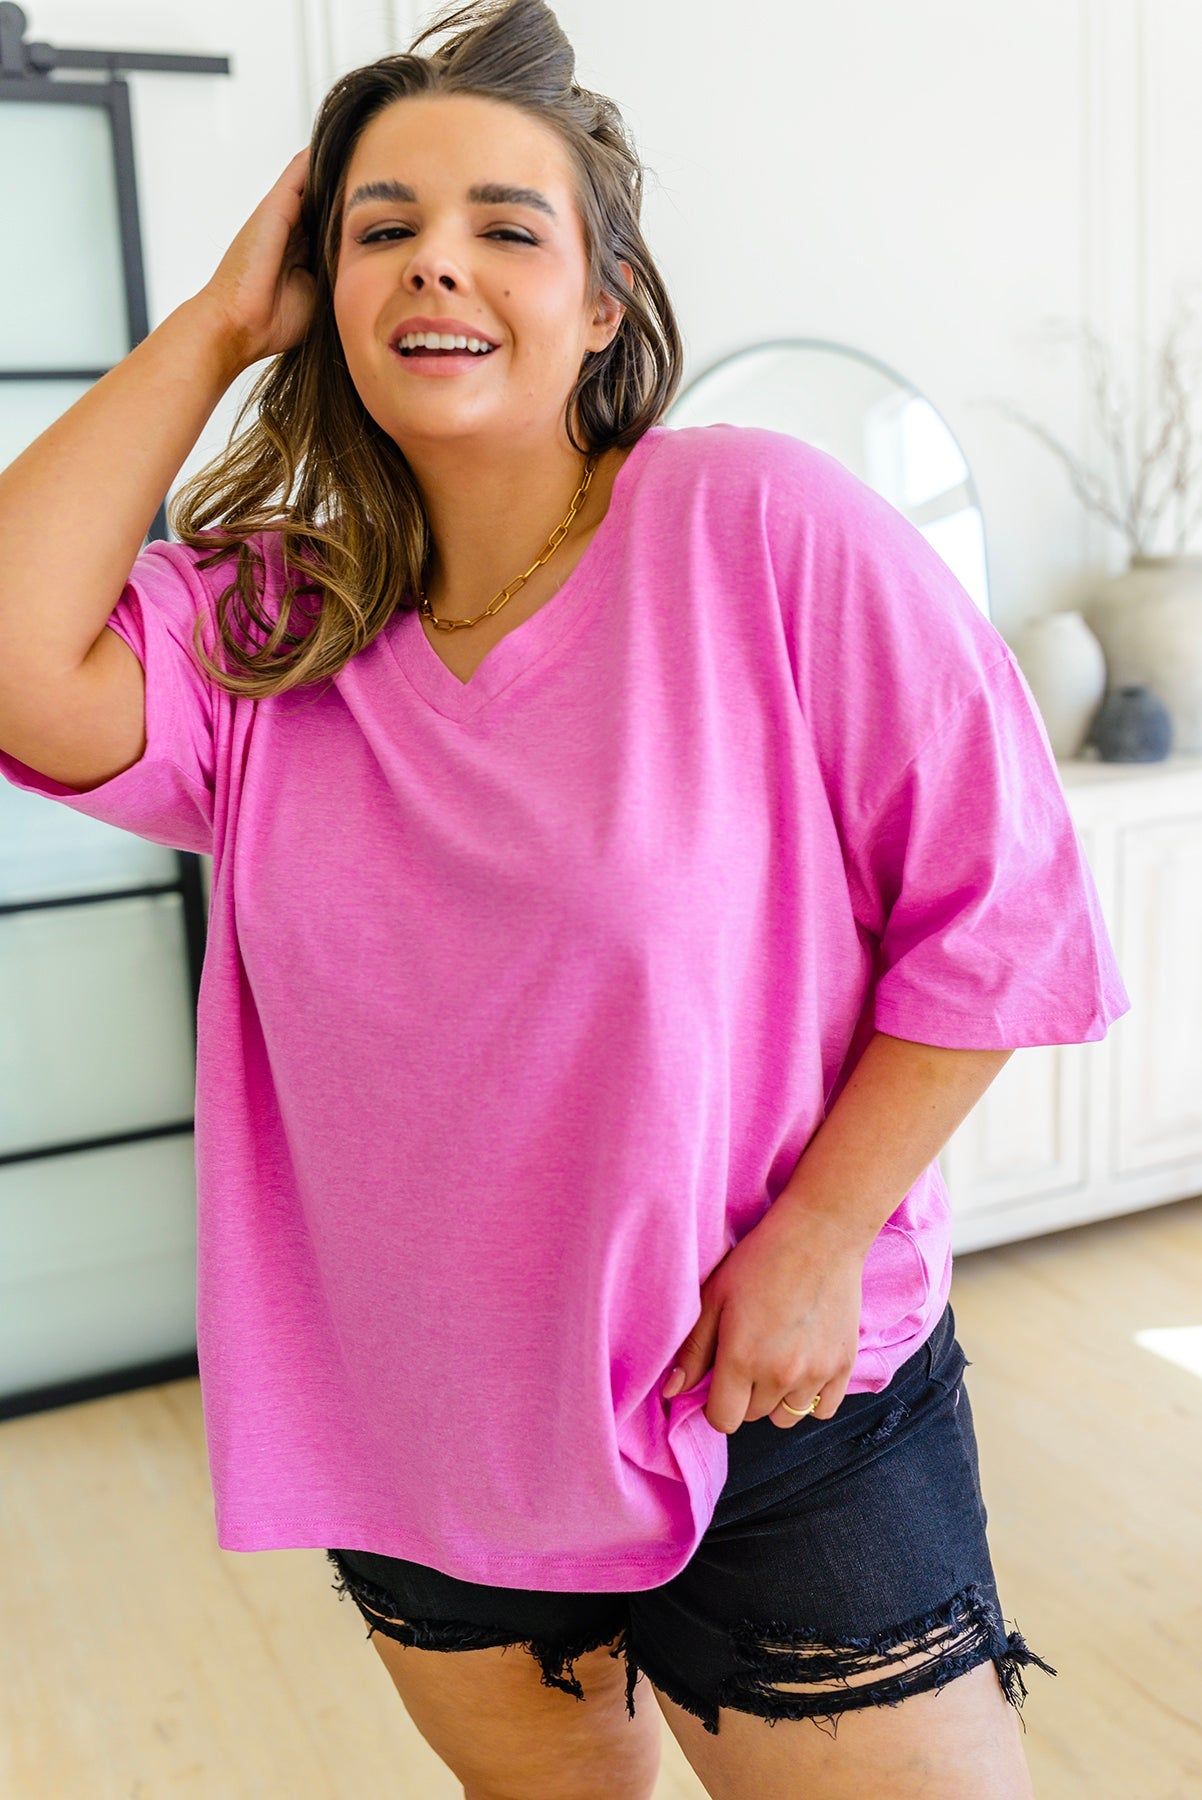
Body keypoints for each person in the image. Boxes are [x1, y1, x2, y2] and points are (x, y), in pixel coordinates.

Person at [0, 1, 1129, 1794]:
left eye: (504, 228)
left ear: (601, 302)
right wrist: (216, 324)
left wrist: (823, 1236)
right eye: (381, 228)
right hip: (423, 1421)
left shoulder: (763, 528)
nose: (437, 261)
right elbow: (12, 660)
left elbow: (1000, 908)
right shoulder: (271, 625)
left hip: (771, 1392)